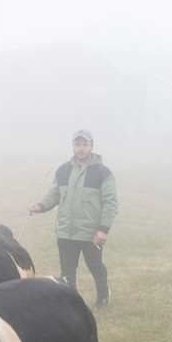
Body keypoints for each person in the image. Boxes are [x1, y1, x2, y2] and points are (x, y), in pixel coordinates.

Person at [28, 129, 118, 307]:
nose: (81, 148)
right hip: (66, 231)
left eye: (85, 144)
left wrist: (103, 229)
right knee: (67, 270)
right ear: (73, 146)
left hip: (91, 233)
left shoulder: (103, 173)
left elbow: (110, 203)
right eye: (77, 144)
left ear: (92, 146)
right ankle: (72, 303)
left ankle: (103, 296)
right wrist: (41, 206)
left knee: (95, 266)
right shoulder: (63, 170)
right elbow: (54, 194)